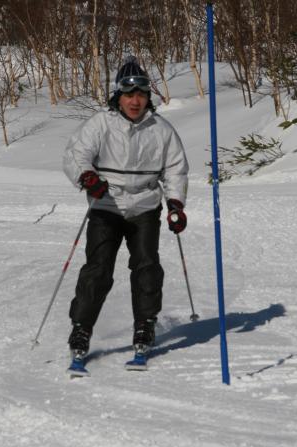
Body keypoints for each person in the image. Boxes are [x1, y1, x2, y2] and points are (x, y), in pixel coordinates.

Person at [62, 56, 189, 361]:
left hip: (145, 206)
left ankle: (145, 325)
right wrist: (87, 177)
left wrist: (175, 203)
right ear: (118, 96)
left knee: (146, 266)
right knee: (98, 269)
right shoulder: (101, 123)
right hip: (106, 204)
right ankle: (81, 328)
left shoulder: (161, 129)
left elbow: (175, 169)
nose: (135, 101)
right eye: (129, 95)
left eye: (141, 95)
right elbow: (76, 154)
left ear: (147, 97)